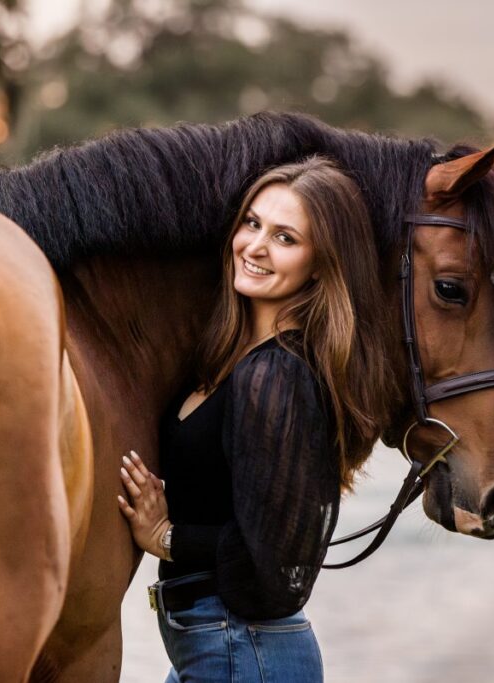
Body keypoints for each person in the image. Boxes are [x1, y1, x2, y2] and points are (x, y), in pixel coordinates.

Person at [117, 156, 397, 682]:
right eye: (252, 223)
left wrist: (166, 536)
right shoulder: (228, 359)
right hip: (216, 647)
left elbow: (269, 563)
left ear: (321, 264)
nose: (256, 247)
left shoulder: (278, 376)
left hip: (244, 648)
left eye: (286, 238)